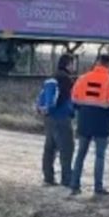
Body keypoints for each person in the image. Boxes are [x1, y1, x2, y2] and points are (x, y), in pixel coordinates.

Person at [68, 53, 109, 196]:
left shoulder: (82, 78)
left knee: (81, 154)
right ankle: (98, 187)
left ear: (97, 62)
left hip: (84, 120)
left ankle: (74, 185)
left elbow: (74, 100)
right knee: (100, 156)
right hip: (102, 122)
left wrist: (83, 111)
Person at [37, 54, 76, 187]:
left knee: (49, 148)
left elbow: (43, 96)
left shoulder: (51, 78)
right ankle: (67, 179)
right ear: (68, 64)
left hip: (48, 118)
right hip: (61, 117)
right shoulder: (65, 79)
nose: (74, 67)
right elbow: (63, 98)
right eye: (72, 64)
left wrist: (44, 109)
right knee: (66, 149)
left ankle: (48, 177)